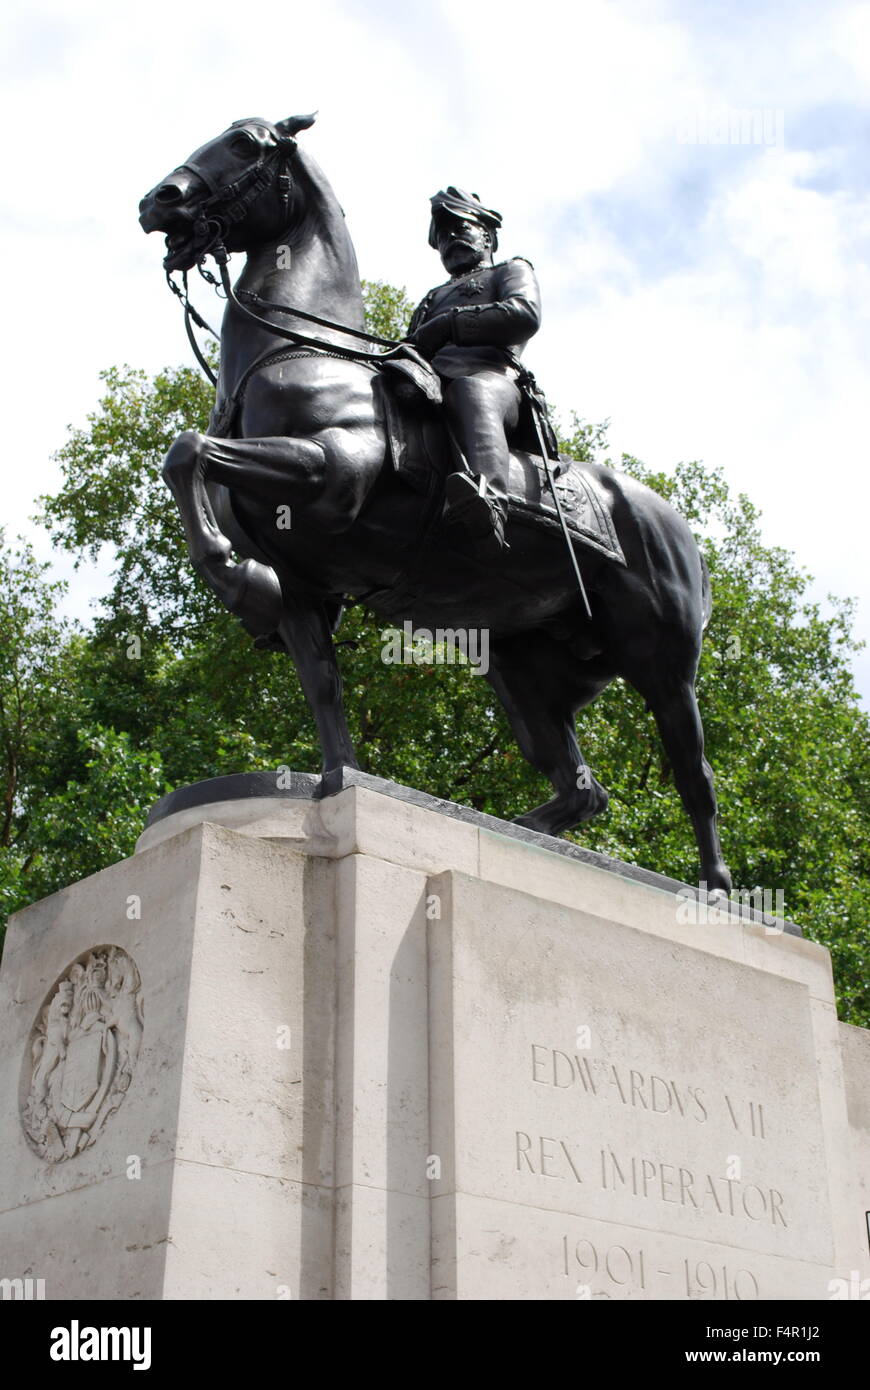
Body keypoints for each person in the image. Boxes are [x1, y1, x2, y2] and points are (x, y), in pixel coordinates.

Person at [408, 187, 542, 553]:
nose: (450, 240)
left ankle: (490, 505)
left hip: (493, 378)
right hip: (431, 385)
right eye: (442, 238)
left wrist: (450, 326)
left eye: (460, 228)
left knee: (471, 391)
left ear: (488, 235)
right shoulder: (431, 298)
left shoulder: (512, 270)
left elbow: (524, 315)